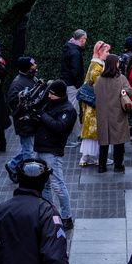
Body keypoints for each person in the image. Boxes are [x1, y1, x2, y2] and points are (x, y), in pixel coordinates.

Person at [33, 79, 78, 229]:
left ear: (58, 94)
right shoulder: (50, 103)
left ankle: (66, 217)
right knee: (44, 185)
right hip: (42, 148)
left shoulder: (68, 110)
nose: (49, 95)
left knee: (57, 185)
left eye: (51, 93)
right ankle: (50, 215)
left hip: (52, 151)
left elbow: (59, 127)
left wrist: (42, 116)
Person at [94, 54, 132, 174]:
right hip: (118, 113)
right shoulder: (121, 78)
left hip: (103, 114)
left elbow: (95, 93)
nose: (119, 64)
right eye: (117, 62)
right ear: (115, 64)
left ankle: (102, 166)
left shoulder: (99, 80)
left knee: (104, 142)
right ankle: (118, 165)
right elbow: (130, 91)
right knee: (118, 141)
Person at [6, 56, 40, 181]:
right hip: (24, 122)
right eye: (33, 65)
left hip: (30, 120)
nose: (35, 66)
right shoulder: (17, 84)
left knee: (28, 148)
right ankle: (28, 178)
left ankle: (12, 165)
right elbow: (13, 103)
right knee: (28, 151)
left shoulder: (31, 79)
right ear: (27, 68)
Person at [79, 41, 110, 168]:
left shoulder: (95, 64)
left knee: (90, 131)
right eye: (106, 51)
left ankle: (86, 158)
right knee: (96, 130)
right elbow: (99, 87)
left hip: (90, 104)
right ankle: (98, 158)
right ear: (100, 52)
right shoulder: (98, 67)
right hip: (95, 103)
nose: (108, 54)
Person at [59, 29, 87, 142]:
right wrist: (78, 84)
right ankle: (76, 136)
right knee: (74, 110)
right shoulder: (75, 52)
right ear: (81, 39)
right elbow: (76, 71)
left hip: (67, 83)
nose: (85, 41)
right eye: (85, 39)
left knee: (71, 109)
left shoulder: (68, 48)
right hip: (72, 85)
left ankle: (75, 134)